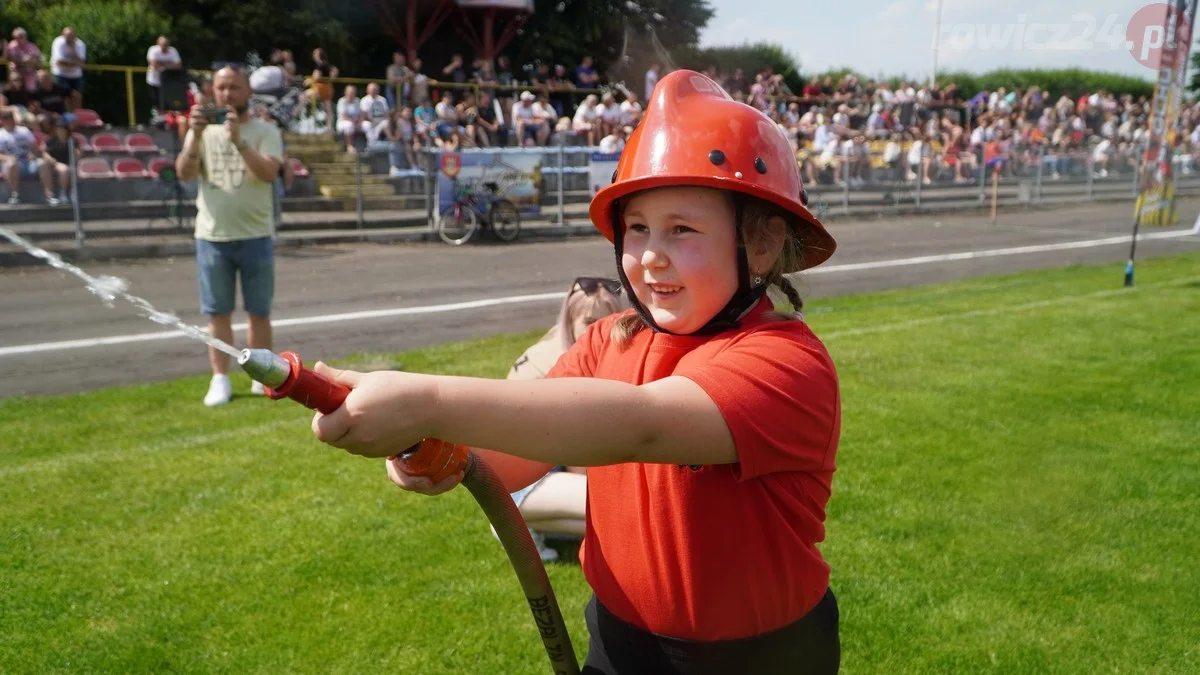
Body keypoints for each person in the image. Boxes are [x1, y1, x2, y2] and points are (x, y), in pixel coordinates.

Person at [308, 70, 842, 674]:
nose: (649, 255)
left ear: (765, 246)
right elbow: (514, 458)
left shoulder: (787, 364)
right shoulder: (606, 342)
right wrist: (432, 449)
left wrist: (425, 399)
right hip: (620, 644)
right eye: (636, 228)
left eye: (682, 229)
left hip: (765, 659)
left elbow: (642, 425)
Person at [175, 65, 284, 407]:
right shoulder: (202, 132)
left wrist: (239, 142)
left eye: (234, 88)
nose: (227, 94)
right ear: (212, 92)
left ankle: (261, 374)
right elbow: (185, 172)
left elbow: (269, 173)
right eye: (221, 88)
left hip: (255, 233)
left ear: (248, 92)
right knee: (217, 313)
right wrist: (192, 136)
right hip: (212, 235)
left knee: (258, 312)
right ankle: (219, 377)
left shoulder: (265, 130)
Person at [501, 276, 629, 562]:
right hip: (517, 479)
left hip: (527, 466)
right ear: (570, 319)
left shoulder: (560, 340)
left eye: (610, 319)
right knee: (620, 508)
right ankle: (515, 525)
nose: (600, 329)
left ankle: (529, 524)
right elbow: (578, 451)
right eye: (590, 322)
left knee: (611, 513)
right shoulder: (568, 363)